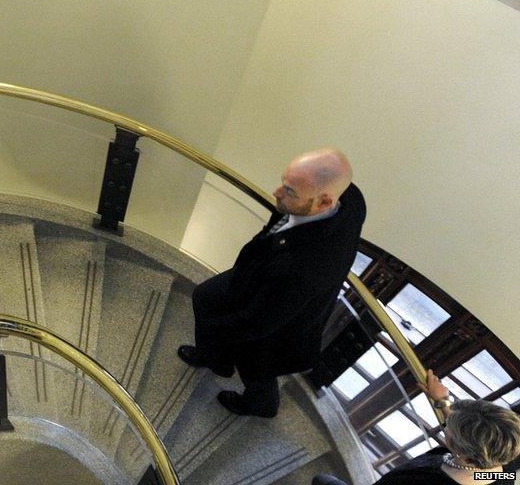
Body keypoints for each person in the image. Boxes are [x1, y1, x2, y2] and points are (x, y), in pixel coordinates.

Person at [178, 148, 366, 417]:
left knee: (255, 364)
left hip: (282, 322)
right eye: (284, 182)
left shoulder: (304, 270)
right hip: (264, 276)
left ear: (324, 203)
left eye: (290, 191)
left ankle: (261, 405)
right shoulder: (350, 197)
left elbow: (258, 323)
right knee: (205, 296)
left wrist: (214, 329)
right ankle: (216, 359)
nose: (277, 192)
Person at [312, 370, 520, 485]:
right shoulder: (502, 468)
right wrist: (443, 402)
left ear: (460, 450)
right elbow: (472, 435)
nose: (446, 426)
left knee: (321, 481)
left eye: (450, 430)